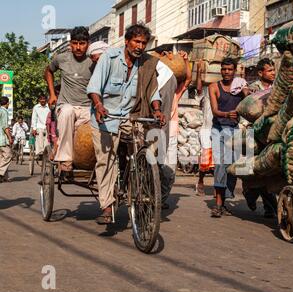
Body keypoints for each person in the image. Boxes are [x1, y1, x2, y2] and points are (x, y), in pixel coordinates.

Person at [87, 23, 167, 225]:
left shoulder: (148, 64)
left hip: (132, 115)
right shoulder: (109, 58)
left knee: (144, 152)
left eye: (143, 43)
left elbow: (153, 92)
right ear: (126, 41)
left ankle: (138, 195)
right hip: (105, 116)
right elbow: (94, 87)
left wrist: (157, 110)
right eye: (136, 41)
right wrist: (98, 106)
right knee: (106, 160)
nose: (140, 46)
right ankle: (106, 205)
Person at [44, 26, 94, 172]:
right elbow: (48, 71)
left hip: (87, 108)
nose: (78, 47)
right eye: (75, 43)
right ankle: (65, 159)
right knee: (67, 112)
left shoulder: (94, 61)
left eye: (82, 43)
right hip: (66, 105)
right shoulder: (61, 58)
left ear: (88, 44)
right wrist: (52, 94)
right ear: (70, 43)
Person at [209, 58, 248, 218]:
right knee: (220, 165)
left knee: (232, 167)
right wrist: (227, 114)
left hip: (234, 130)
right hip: (218, 129)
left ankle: (223, 202)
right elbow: (215, 111)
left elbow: (248, 103)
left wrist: (246, 93)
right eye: (224, 69)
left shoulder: (240, 87)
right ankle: (218, 205)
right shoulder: (214, 87)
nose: (226, 72)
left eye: (229, 69)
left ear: (235, 71)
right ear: (221, 70)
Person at [244, 58, 278, 218]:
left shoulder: (278, 88)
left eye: (273, 70)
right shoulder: (253, 89)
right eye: (270, 70)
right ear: (260, 73)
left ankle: (268, 206)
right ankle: (250, 194)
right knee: (254, 171)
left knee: (268, 169)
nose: (273, 73)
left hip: (272, 133)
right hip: (255, 133)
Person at [161, 50, 192, 209]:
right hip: (155, 133)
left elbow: (188, 79)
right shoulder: (152, 91)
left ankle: (161, 199)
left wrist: (186, 61)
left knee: (170, 170)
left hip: (171, 134)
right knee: (154, 167)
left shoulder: (174, 93)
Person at [195, 60, 214, 196]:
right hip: (207, 129)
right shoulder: (207, 93)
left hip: (222, 128)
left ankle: (218, 188)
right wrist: (199, 71)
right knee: (205, 160)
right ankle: (200, 181)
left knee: (219, 162)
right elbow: (199, 89)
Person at [0, 97, 13, 182]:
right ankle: (1, 173)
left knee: (1, 157)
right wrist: (10, 137)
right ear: (7, 103)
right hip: (2, 138)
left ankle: (4, 177)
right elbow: (5, 127)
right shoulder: (4, 111)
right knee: (8, 155)